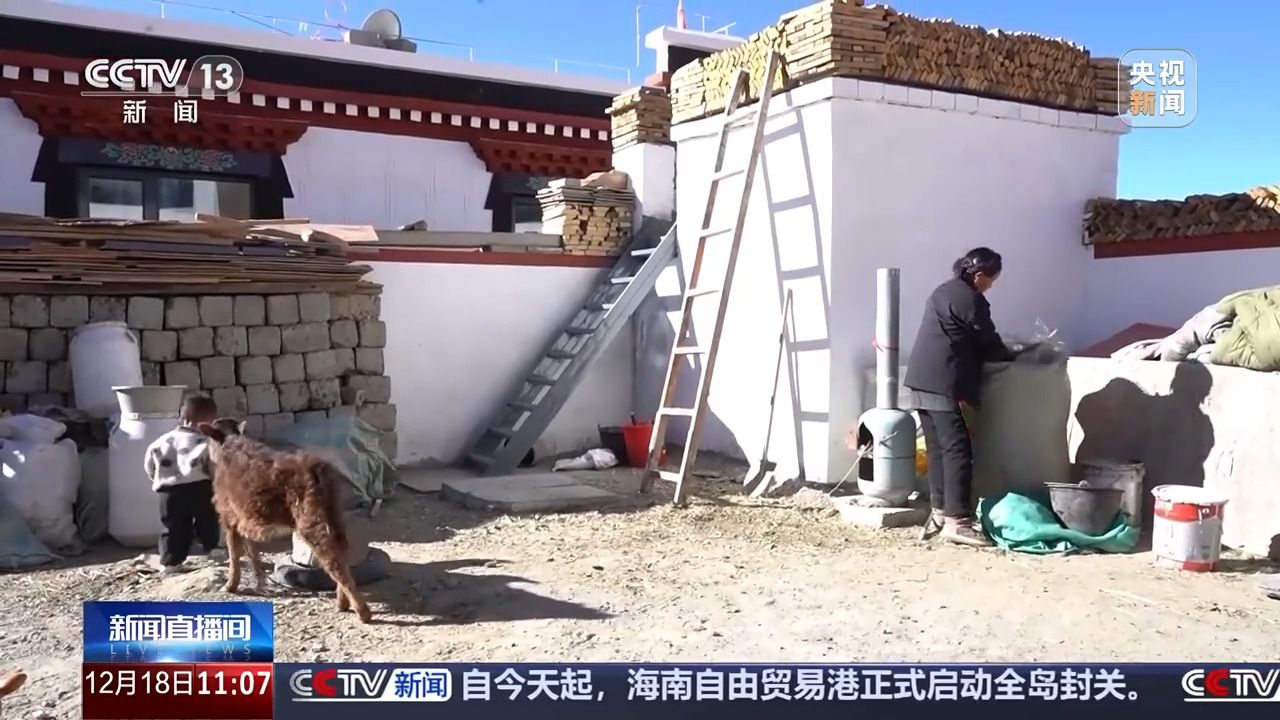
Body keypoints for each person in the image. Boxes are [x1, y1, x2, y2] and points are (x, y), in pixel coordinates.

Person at [904, 247, 1014, 547]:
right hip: (944, 381)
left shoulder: (942, 291)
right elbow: (987, 340)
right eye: (991, 280)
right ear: (978, 276)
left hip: (920, 381)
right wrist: (1013, 355)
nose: (990, 286)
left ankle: (940, 511)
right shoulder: (970, 299)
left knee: (938, 449)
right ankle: (958, 521)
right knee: (957, 450)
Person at [144, 394, 222, 573]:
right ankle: (213, 549)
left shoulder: (159, 442)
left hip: (168, 492)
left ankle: (170, 562)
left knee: (173, 527)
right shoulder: (206, 442)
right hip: (200, 488)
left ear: (182, 417)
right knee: (208, 520)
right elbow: (213, 466)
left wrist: (158, 480)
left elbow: (149, 466)